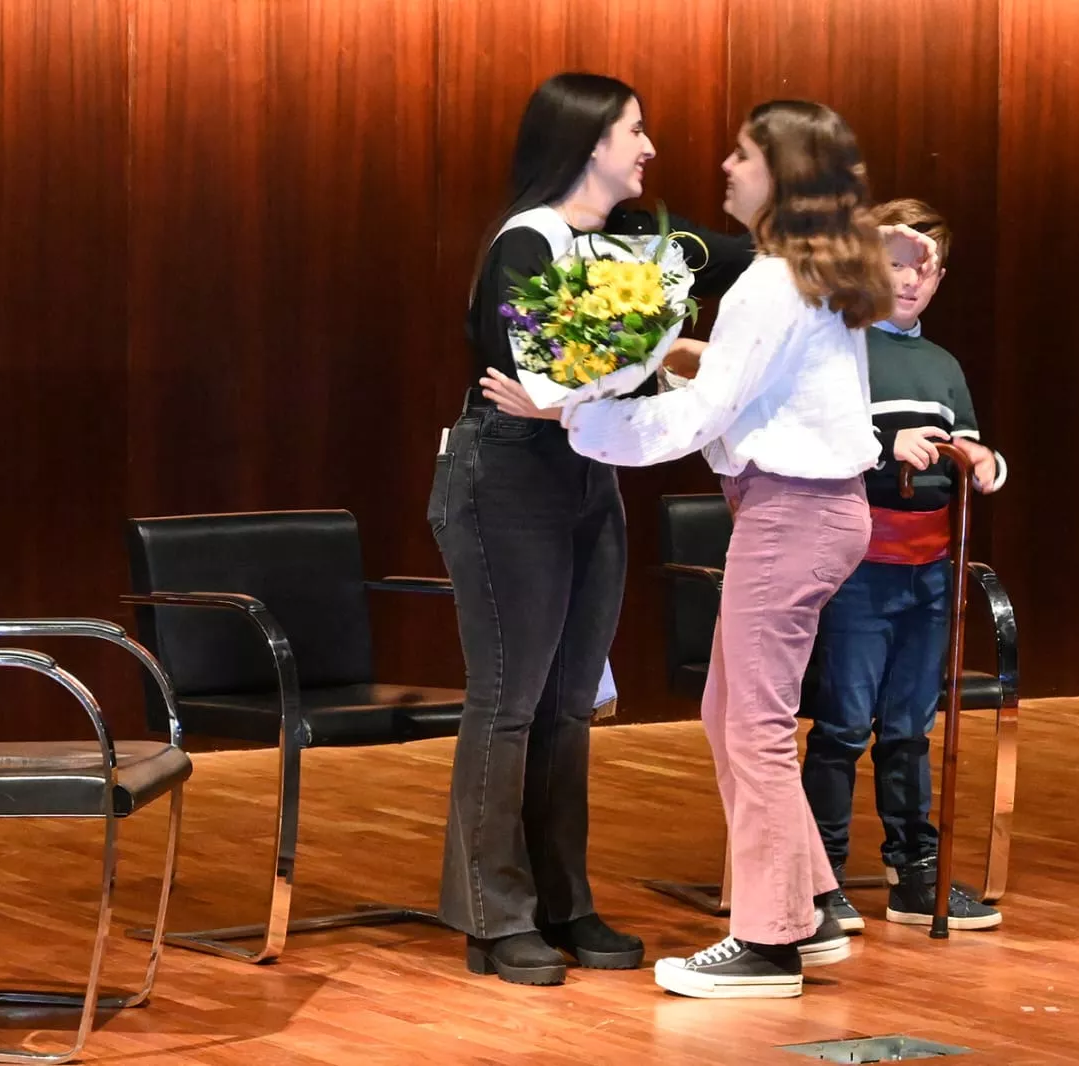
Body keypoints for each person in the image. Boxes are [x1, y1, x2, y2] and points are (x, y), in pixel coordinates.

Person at [484, 99, 932, 999]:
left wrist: (574, 411)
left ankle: (767, 943)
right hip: (809, 510)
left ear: (784, 174)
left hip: (791, 513)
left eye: (741, 156)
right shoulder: (805, 274)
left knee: (752, 727)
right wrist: (648, 364)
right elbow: (736, 377)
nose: (723, 168)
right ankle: (810, 904)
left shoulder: (773, 280)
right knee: (733, 713)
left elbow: (704, 414)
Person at [427, 71, 751, 987]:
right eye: (634, 131)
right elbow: (542, 369)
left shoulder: (641, 242)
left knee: (571, 705)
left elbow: (752, 260)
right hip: (505, 481)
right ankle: (496, 919)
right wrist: (625, 377)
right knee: (510, 701)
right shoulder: (524, 244)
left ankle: (566, 902)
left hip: (586, 473)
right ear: (587, 143)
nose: (649, 148)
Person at [800, 198, 1005, 935]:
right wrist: (886, 447)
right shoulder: (839, 347)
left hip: (931, 568)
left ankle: (916, 872)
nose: (910, 282)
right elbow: (816, 443)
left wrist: (982, 461)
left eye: (925, 270)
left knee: (912, 727)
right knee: (845, 725)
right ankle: (819, 879)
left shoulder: (942, 363)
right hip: (859, 564)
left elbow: (973, 449)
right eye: (894, 266)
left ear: (941, 277)